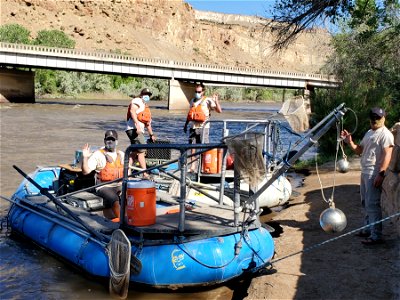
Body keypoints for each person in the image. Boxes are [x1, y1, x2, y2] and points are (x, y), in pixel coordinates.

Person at [341, 107, 394, 245]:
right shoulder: (369, 133)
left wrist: (381, 174)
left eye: (378, 118)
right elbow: (359, 150)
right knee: (365, 202)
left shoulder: (386, 134)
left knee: (373, 204)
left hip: (374, 173)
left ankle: (376, 235)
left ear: (383, 118)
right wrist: (349, 141)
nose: (375, 120)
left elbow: (388, 155)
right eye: (373, 118)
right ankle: (368, 228)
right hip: (364, 171)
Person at [81, 130, 124, 221]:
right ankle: (122, 222)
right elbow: (85, 171)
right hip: (104, 186)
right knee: (114, 198)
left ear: (117, 141)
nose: (110, 142)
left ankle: (133, 217)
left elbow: (128, 173)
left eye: (112, 139)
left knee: (132, 193)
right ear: (104, 141)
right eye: (108, 139)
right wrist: (84, 157)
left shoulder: (121, 154)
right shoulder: (98, 155)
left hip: (119, 185)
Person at [183, 83, 222, 172]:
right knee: (192, 148)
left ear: (203, 92)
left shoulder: (207, 100)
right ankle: (193, 167)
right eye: (196, 91)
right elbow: (190, 114)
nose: (197, 93)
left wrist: (216, 101)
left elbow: (219, 111)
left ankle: (203, 167)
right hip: (193, 127)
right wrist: (185, 125)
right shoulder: (192, 100)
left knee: (203, 148)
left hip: (204, 127)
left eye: (199, 92)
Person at [125, 88, 156, 178]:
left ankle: (127, 172)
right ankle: (145, 173)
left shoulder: (146, 107)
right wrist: (137, 124)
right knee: (142, 151)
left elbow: (148, 124)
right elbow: (132, 111)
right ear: (141, 94)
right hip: (134, 129)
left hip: (136, 130)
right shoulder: (137, 100)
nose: (147, 96)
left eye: (148, 94)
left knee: (135, 152)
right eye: (145, 94)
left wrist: (151, 134)